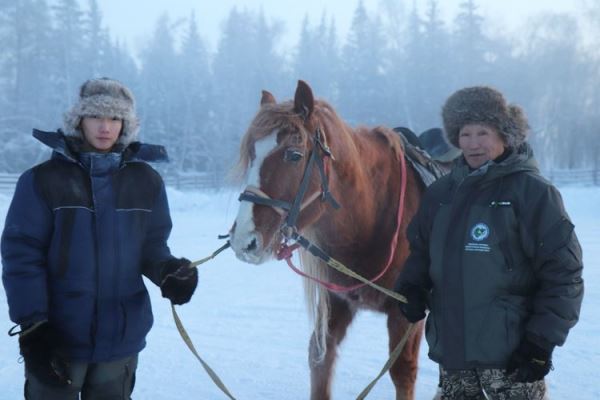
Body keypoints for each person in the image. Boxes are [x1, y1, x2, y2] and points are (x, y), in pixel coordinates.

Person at [1, 77, 198, 399]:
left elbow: (151, 245)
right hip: (58, 337)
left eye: (115, 118)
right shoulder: (42, 180)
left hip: (121, 339)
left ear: (126, 125)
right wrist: (34, 325)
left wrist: (168, 272)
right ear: (79, 121)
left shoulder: (146, 181)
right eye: (96, 117)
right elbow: (22, 257)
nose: (106, 127)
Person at [393, 86, 584, 399]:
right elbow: (422, 251)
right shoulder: (441, 195)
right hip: (453, 359)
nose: (473, 143)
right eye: (465, 134)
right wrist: (412, 287)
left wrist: (540, 344)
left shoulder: (533, 193)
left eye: (483, 132)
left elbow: (564, 275)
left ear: (505, 135)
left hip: (512, 361)